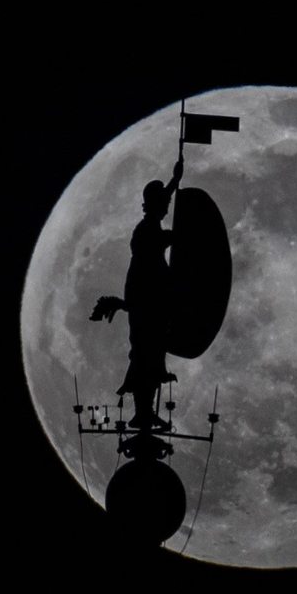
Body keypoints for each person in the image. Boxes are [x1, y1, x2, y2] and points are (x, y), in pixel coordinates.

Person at [91, 150, 183, 430]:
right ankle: (143, 412)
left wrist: (174, 180)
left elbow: (162, 205)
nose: (167, 207)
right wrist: (177, 235)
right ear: (155, 205)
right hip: (146, 304)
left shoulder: (151, 225)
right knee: (146, 356)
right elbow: (158, 244)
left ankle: (146, 412)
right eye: (164, 203)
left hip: (154, 304)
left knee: (154, 354)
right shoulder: (146, 231)